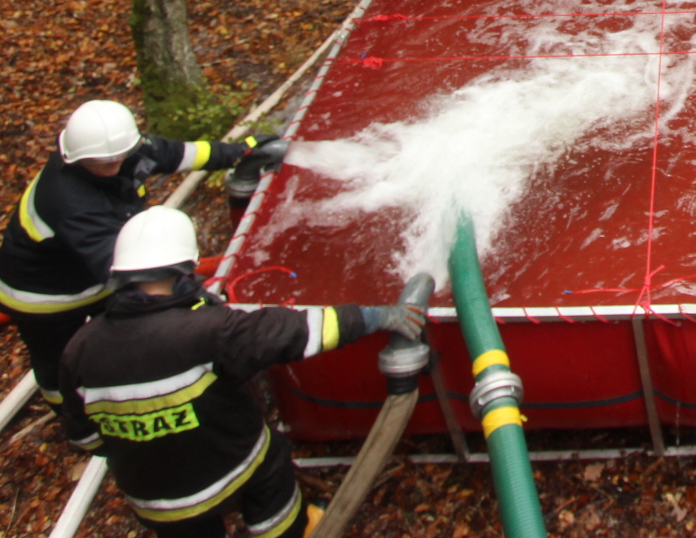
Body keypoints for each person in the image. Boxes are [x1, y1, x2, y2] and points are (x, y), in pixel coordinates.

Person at [60, 207, 426, 537]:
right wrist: (375, 316)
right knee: (270, 465)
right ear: (184, 268)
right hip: (233, 471)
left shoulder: (79, 348)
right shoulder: (206, 330)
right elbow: (294, 331)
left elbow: (85, 438)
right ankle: (287, 530)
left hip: (154, 501)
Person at [0, 100, 281, 445]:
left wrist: (238, 152)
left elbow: (177, 154)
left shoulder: (122, 150)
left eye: (119, 158)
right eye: (102, 163)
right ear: (75, 158)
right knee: (59, 360)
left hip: (88, 273)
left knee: (119, 335)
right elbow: (126, 270)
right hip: (41, 295)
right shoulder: (70, 201)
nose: (114, 167)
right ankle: (79, 426)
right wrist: (192, 297)